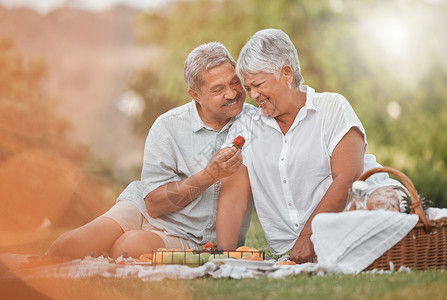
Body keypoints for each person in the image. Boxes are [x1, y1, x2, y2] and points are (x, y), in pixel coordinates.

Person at [46, 42, 254, 259]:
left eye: (234, 82)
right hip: (144, 209)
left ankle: (114, 248)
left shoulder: (255, 124)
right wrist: (210, 175)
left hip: (192, 236)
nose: (232, 93)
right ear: (195, 95)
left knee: (129, 248)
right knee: (72, 246)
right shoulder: (168, 126)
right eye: (218, 89)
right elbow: (153, 204)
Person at [216, 29, 405, 264]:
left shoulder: (332, 107)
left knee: (382, 204)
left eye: (258, 84)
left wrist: (309, 236)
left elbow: (349, 178)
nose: (253, 95)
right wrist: (223, 258)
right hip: (290, 247)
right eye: (248, 88)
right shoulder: (245, 129)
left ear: (286, 73)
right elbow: (233, 199)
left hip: (358, 210)